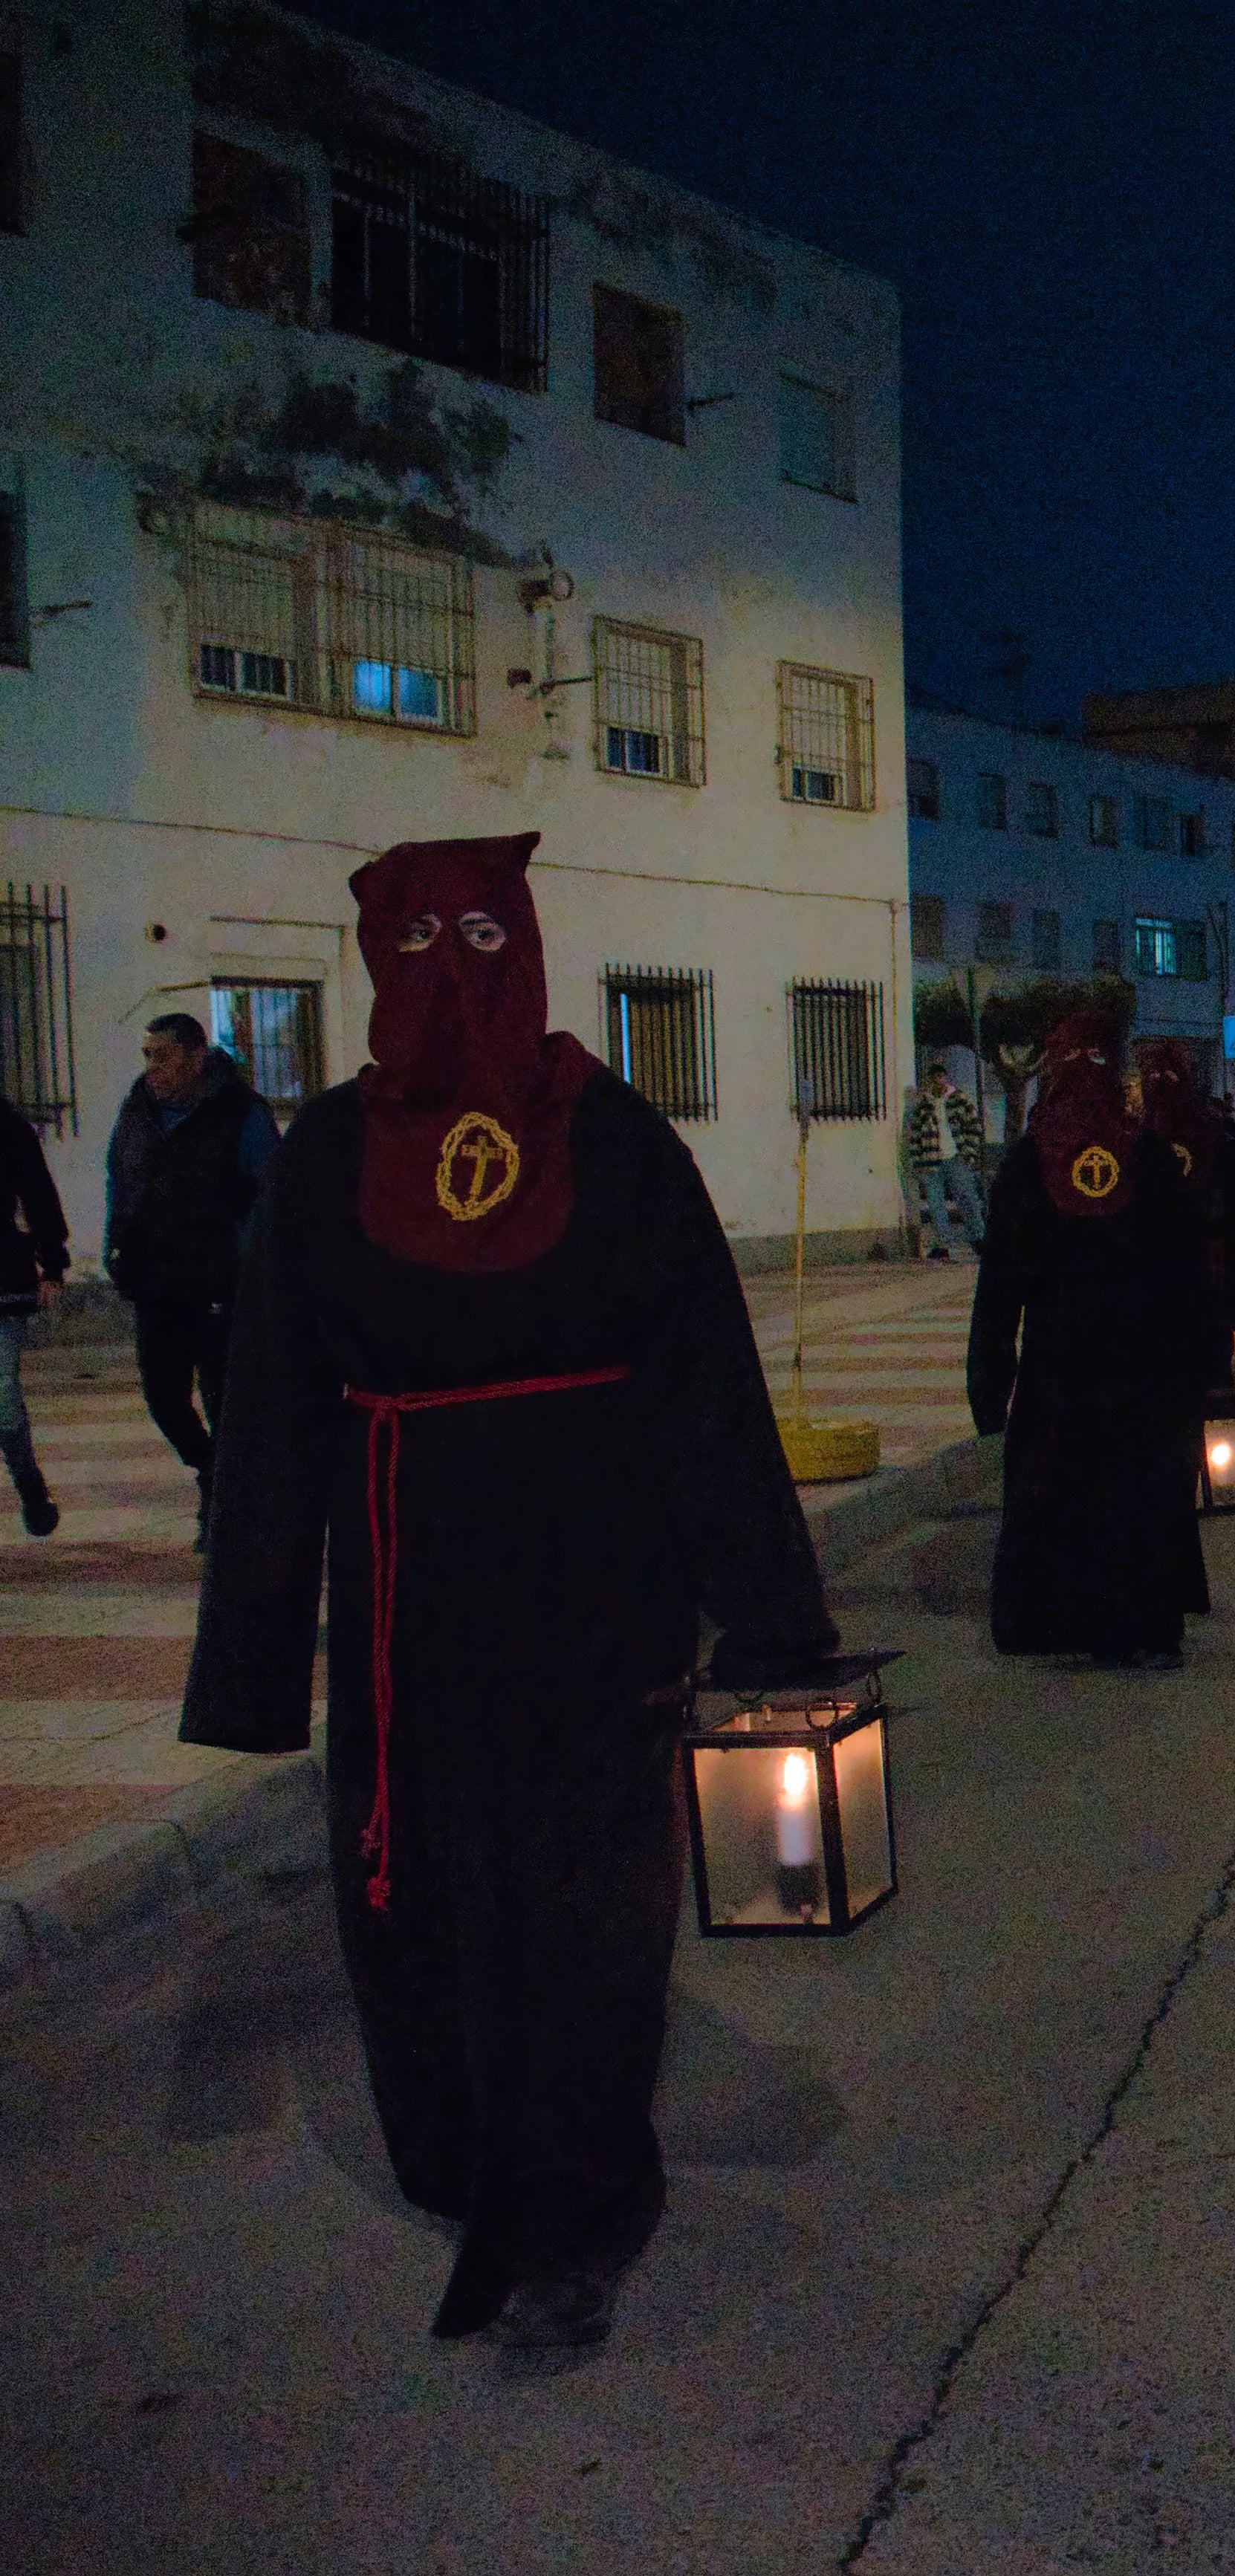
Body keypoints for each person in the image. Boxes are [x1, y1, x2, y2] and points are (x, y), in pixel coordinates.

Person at [181, 832, 837, 2356]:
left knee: (585, 1905)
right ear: (373, 964)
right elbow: (271, 1408)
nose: (450, 978)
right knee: (420, 1897)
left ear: (527, 944)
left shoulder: (611, 1137)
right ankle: (464, 2162)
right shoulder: (328, 1154)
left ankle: (577, 2210)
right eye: (415, 945)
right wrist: (253, 1660)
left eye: (480, 938)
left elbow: (706, 1383)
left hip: (597, 1595)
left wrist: (771, 1619)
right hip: (408, 1606)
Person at [968, 1012, 1208, 1667]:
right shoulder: (1147, 1153)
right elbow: (1186, 1264)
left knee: (1062, 1483)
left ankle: (1059, 1620)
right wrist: (1200, 1355)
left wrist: (990, 1381)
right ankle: (1144, 1627)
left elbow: (1000, 1282)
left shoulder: (1028, 1162)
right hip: (1142, 1361)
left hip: (1058, 1363)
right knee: (1138, 1484)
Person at [105, 1010, 278, 1541]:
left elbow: (273, 1193)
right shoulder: (137, 1110)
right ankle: (209, 1470)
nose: (152, 1067)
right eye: (147, 1055)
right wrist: (116, 1244)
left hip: (220, 1282)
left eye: (162, 1055)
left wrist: (253, 1261)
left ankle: (226, 1509)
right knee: (163, 1398)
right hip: (155, 1279)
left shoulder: (241, 1112)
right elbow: (119, 1177)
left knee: (224, 1401)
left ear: (196, 1057)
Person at [1132, 1038, 1235, 1392]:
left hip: (1204, 1259)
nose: (1160, 1084)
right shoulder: (1132, 1138)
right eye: (1153, 1075)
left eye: (1167, 1074)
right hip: (1161, 1269)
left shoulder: (1209, 1132)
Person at [0, 1089, 68, 1534]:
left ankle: (29, 1486)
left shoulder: (9, 1128)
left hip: (2, 1277)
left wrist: (52, 1264)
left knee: (2, 1395)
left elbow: (38, 1193)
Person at [902, 1060, 991, 1259]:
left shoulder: (960, 1099)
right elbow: (915, 1135)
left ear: (945, 1077)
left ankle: (979, 1237)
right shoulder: (924, 1106)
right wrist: (918, 1161)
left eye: (940, 1076)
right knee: (936, 1204)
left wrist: (968, 1153)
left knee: (966, 1198)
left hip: (956, 1158)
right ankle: (943, 1245)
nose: (937, 1081)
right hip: (932, 1161)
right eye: (933, 1077)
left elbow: (974, 1127)